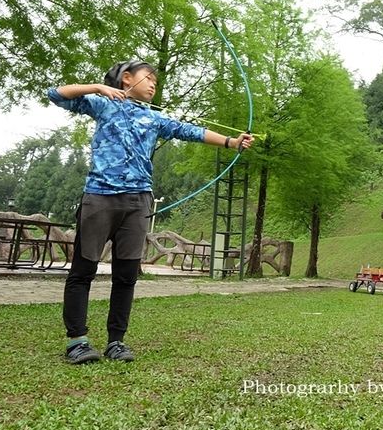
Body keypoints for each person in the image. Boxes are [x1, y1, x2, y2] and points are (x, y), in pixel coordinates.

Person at [49, 60, 253, 364]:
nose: (154, 83)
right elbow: (56, 94)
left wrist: (230, 142)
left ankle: (116, 342)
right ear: (126, 78)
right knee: (83, 270)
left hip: (138, 201)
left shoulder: (153, 117)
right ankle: (77, 341)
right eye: (149, 77)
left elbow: (190, 131)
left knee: (126, 275)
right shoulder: (102, 105)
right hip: (100, 197)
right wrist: (98, 88)